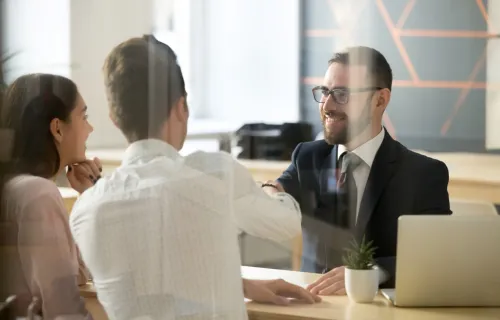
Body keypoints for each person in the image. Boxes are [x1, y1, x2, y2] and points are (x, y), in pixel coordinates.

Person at [69, 35, 320, 320]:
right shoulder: (215, 175)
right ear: (181, 107)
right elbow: (286, 224)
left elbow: (150, 285)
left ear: (115, 119)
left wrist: (240, 285)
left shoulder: (85, 210)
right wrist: (273, 189)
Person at [264, 46, 451, 295]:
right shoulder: (308, 157)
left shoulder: (423, 174)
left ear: (380, 99)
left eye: (342, 94)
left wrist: (372, 272)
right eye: (325, 92)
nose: (327, 105)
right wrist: (270, 191)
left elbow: (438, 258)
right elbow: (279, 187)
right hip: (312, 308)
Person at [0, 73, 100, 318]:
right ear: (57, 128)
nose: (90, 128)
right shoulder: (39, 194)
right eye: (83, 116)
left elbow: (77, 274)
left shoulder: (17, 187)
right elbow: (64, 309)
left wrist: (88, 196)